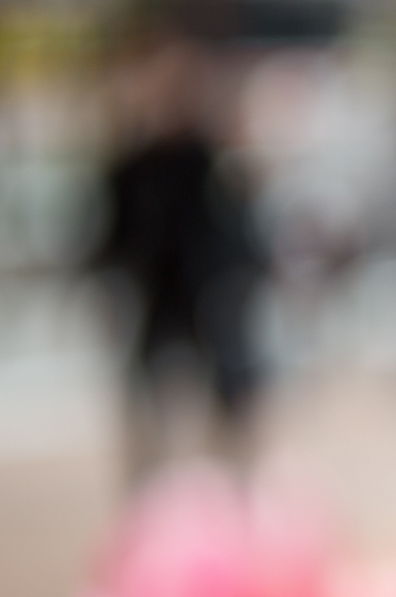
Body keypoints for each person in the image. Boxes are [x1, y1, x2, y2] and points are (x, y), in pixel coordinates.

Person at [85, 34, 268, 486]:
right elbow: (114, 234)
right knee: (146, 386)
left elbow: (235, 226)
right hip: (158, 287)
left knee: (232, 380)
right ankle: (151, 485)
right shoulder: (132, 166)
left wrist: (244, 275)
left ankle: (233, 480)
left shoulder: (206, 160)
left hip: (208, 286)